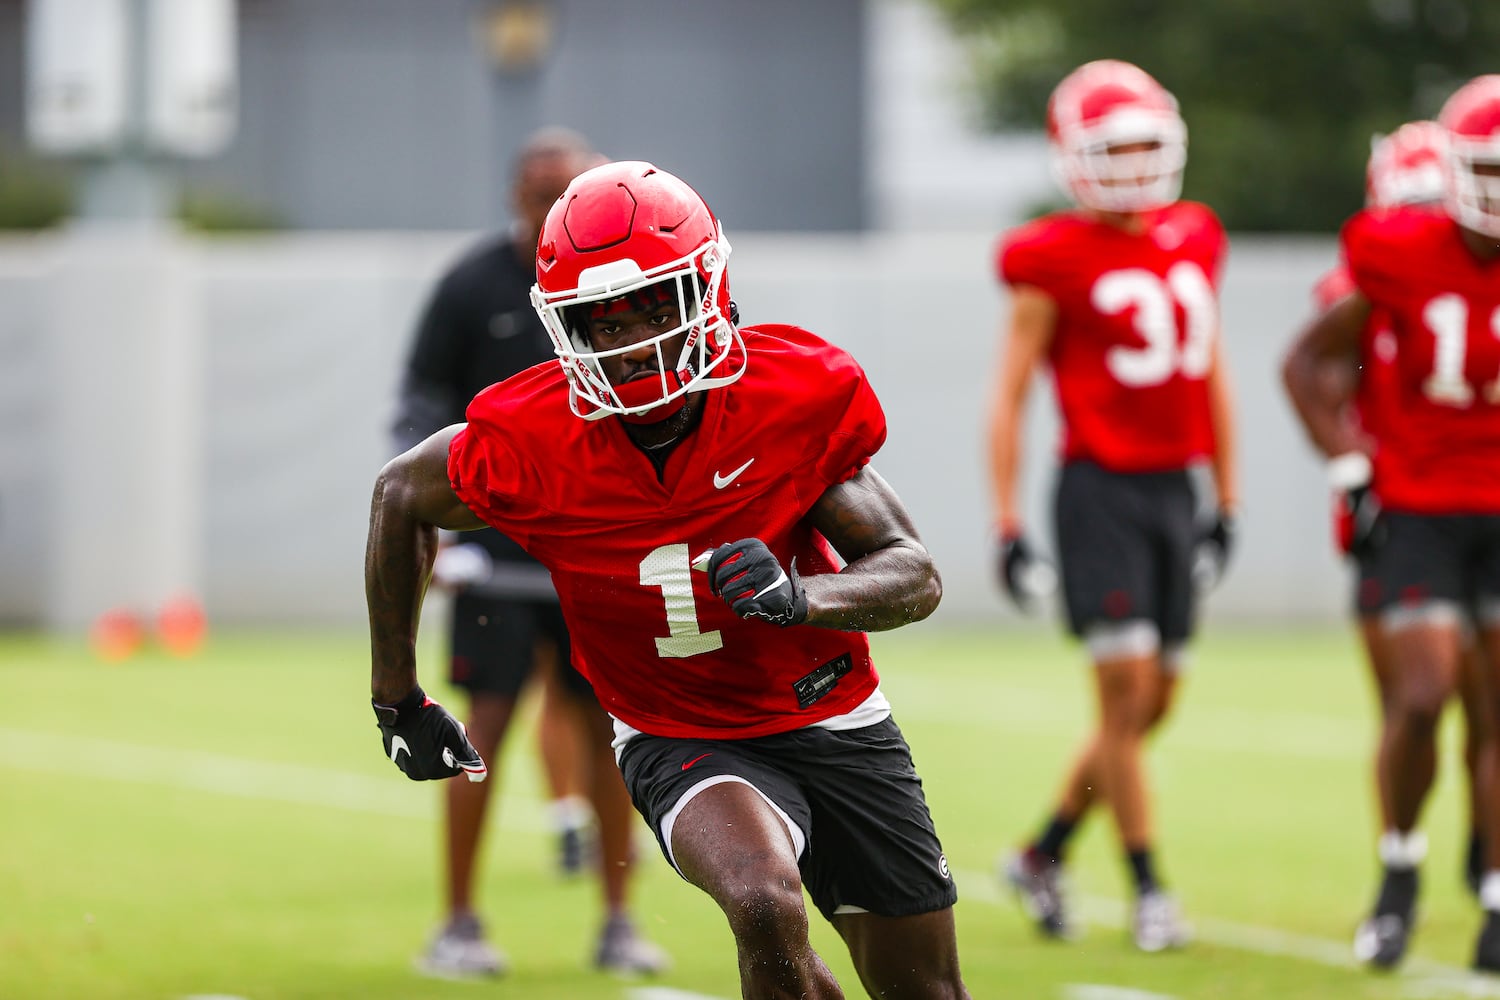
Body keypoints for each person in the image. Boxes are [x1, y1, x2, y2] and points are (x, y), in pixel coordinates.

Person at [366, 159, 971, 999]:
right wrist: (396, 695)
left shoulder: (787, 396)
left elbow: (914, 575)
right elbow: (400, 492)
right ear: (564, 327)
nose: (636, 341)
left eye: (655, 305)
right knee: (762, 900)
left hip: (832, 713)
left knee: (926, 991)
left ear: (709, 287)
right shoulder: (534, 436)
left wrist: (802, 598)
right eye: (603, 321)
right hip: (679, 733)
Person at [389, 127, 666, 978]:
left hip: (594, 547)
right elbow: (418, 410)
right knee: (483, 730)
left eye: (571, 188)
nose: (555, 203)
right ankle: (458, 919)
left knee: (614, 735)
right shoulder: (472, 284)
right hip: (497, 555)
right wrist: (441, 535)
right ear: (516, 194)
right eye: (542, 188)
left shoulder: (617, 285)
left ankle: (619, 919)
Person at [987, 59, 1239, 952]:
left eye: (1144, 145)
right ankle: (1148, 888)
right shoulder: (1048, 256)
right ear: (1073, 156)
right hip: (1099, 492)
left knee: (1150, 706)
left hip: (1174, 489)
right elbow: (1011, 394)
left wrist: (1228, 498)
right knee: (1125, 696)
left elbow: (1210, 371)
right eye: (1113, 146)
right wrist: (1007, 523)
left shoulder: (1196, 235)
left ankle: (1041, 852)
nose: (1132, 163)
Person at [1283, 76, 1500, 973]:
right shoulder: (1397, 251)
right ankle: (1401, 873)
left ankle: (1492, 897)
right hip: (1416, 508)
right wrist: (1349, 462)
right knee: (1420, 700)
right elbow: (1307, 361)